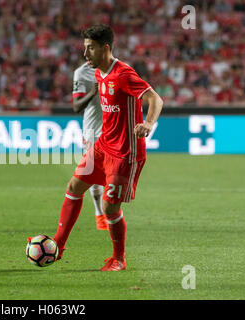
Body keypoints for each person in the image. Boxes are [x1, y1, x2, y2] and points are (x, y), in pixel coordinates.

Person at [52, 25, 163, 271]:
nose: (85, 54)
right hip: (103, 145)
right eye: (85, 48)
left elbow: (155, 98)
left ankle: (119, 259)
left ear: (106, 48)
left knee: (109, 206)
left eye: (90, 48)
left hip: (125, 151)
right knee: (74, 186)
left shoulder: (123, 74)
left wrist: (148, 123)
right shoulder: (99, 73)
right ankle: (58, 246)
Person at [72, 61, 107, 230]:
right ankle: (100, 213)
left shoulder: (118, 68)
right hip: (93, 131)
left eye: (91, 47)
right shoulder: (81, 73)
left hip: (114, 130)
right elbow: (76, 106)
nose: (87, 53)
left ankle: (111, 213)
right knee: (93, 173)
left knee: (115, 173)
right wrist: (93, 92)